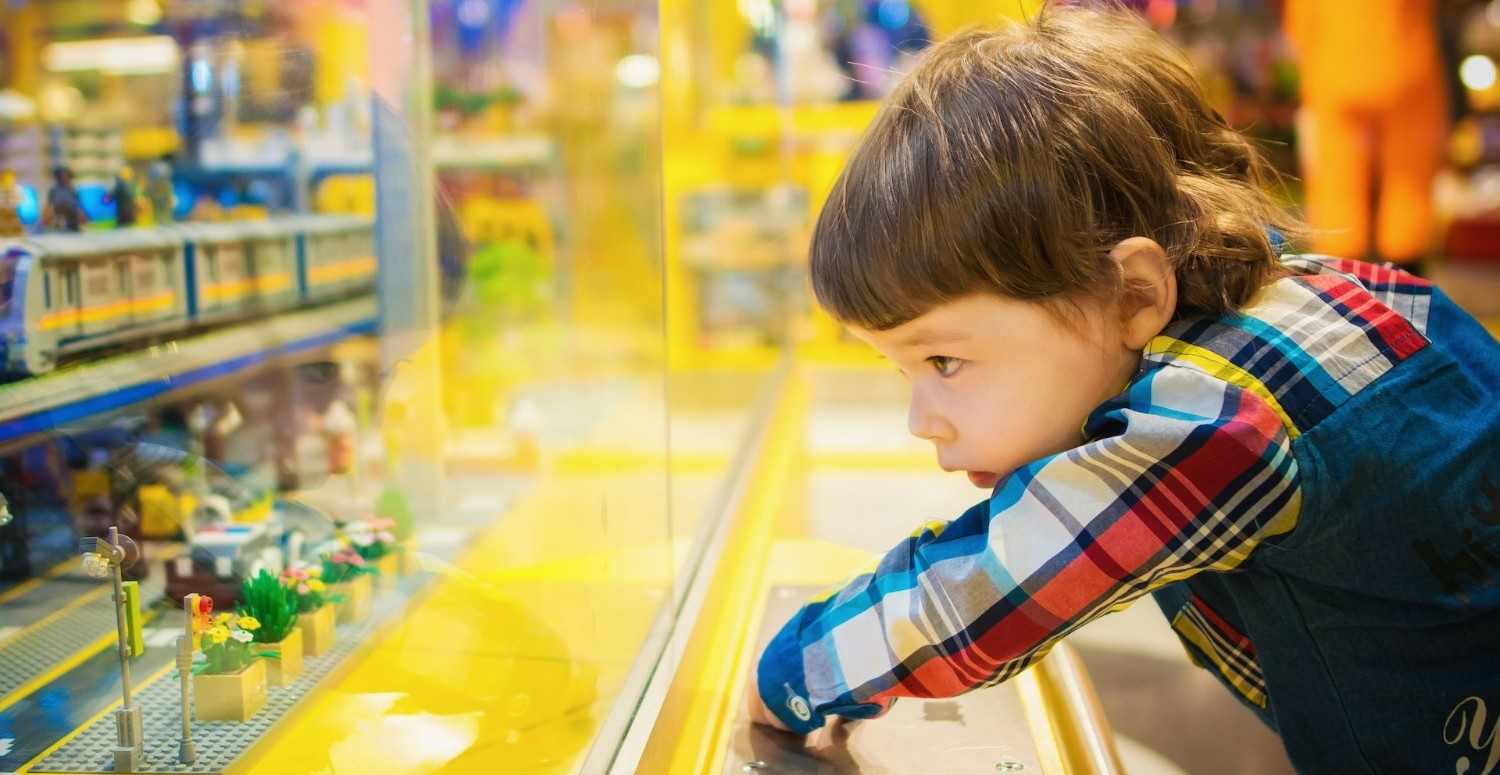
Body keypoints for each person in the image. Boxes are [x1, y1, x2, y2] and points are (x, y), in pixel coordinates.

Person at [746, 8, 1500, 774]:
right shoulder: (1341, 297)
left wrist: (792, 675)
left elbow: (976, 598)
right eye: (899, 369)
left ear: (1133, 292)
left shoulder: (1215, 419)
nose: (921, 421)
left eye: (942, 359)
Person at [42, 166, 86, 232]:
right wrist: (46, 214)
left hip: (71, 212)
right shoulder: (54, 190)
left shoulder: (72, 189)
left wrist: (81, 214)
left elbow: (77, 204)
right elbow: (49, 203)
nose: (64, 178)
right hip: (58, 210)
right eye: (62, 176)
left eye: (66, 176)